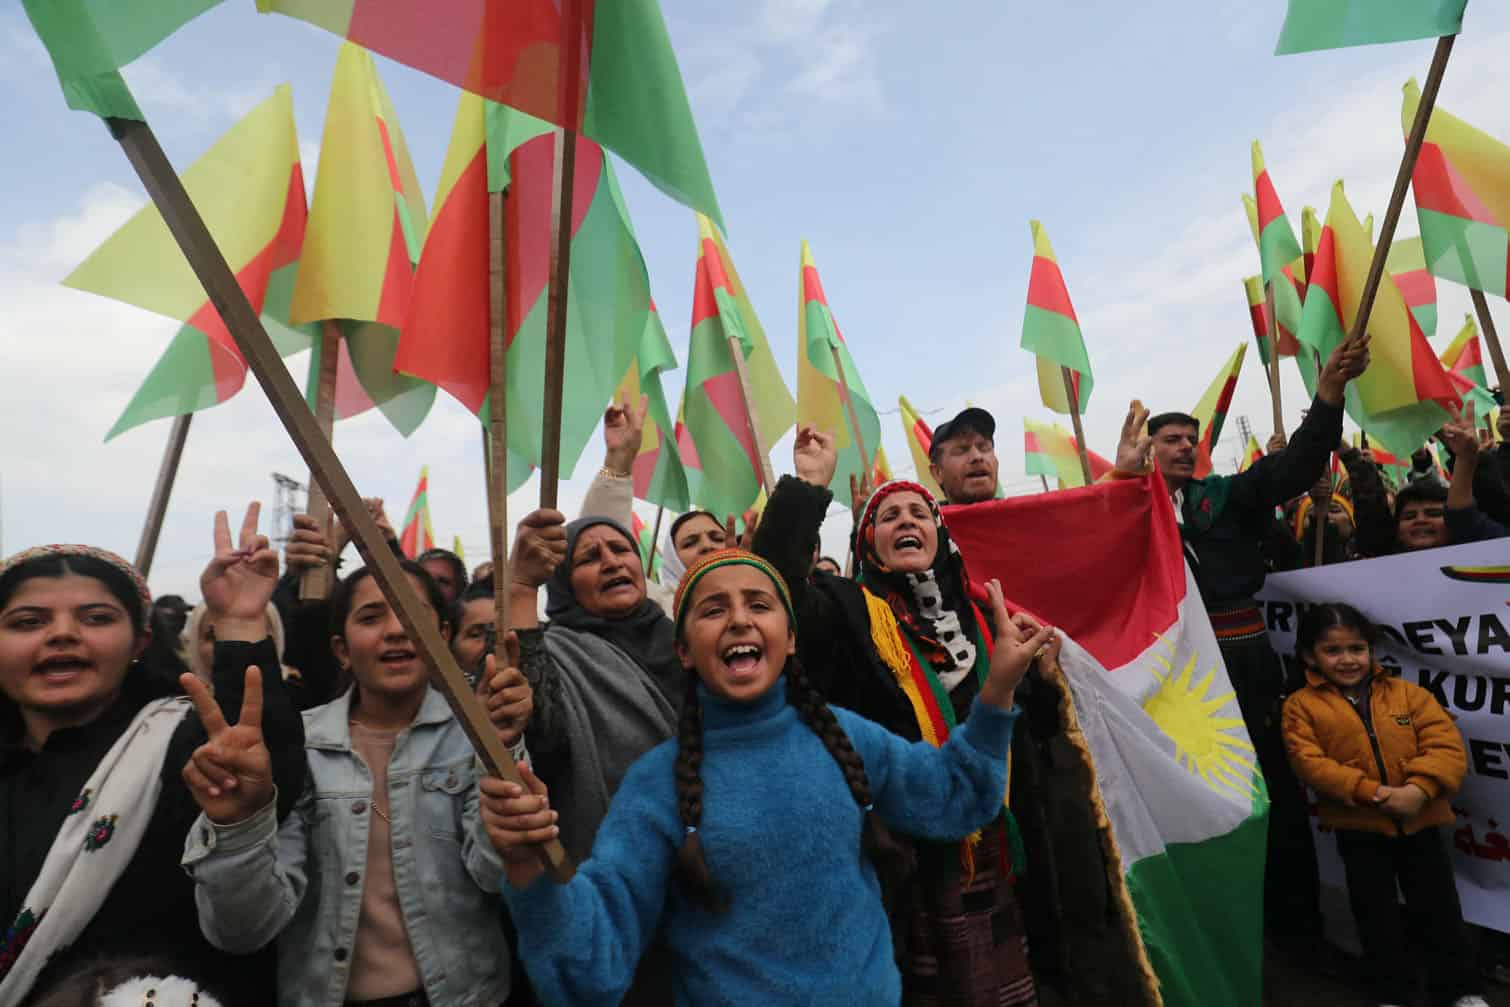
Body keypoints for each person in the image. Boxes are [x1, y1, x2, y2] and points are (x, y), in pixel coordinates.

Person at [481, 549, 1049, 1006]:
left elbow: (958, 797)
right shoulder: (656, 786)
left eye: (758, 604)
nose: (738, 620)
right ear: (683, 650)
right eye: (712, 609)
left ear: (790, 637)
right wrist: (527, 865)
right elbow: (588, 970)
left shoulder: (847, 736)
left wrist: (997, 692)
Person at [753, 428, 1148, 1005]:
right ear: (868, 544)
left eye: (919, 512)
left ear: (941, 534)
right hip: (910, 849)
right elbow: (772, 585)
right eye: (887, 516)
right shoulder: (842, 609)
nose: (906, 521)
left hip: (1008, 838)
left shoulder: (984, 611)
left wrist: (1038, 682)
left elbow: (1026, 725)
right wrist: (809, 487)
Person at [1111, 333, 1370, 962]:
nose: (1178, 446)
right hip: (1170, 686)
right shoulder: (1121, 511)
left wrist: (1329, 394)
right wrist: (1122, 481)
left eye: (1186, 439)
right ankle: (1219, 937)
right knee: (1197, 802)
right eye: (1164, 439)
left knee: (1273, 794)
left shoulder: (1225, 500)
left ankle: (1301, 933)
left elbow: (1296, 466)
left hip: (1246, 666)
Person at [181, 559, 533, 1007]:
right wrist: (238, 826)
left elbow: (498, 876)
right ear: (342, 649)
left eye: (413, 614)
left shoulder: (476, 737)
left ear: (442, 636)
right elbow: (243, 929)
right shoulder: (296, 747)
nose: (396, 630)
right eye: (371, 617)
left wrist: (498, 755)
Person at [0, 506, 304, 1005]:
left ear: (140, 640)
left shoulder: (176, 739)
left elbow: (262, 755)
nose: (62, 634)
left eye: (96, 618)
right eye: (28, 621)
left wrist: (241, 623)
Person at [1281, 603, 1487, 1007]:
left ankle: (1461, 989)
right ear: (1309, 656)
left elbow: (1445, 746)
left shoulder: (1409, 694)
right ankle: (1394, 992)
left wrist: (1420, 790)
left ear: (1371, 651)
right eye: (1333, 651)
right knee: (1377, 918)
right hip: (1360, 830)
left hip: (1422, 822)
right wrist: (1372, 793)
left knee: (1440, 910)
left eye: (1356, 648)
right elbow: (1309, 763)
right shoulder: (1300, 706)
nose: (1347, 660)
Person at [928, 407, 999, 504]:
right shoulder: (927, 519)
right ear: (937, 472)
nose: (977, 457)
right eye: (961, 450)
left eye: (984, 448)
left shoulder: (1024, 515)